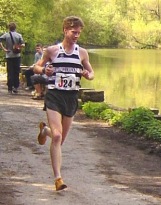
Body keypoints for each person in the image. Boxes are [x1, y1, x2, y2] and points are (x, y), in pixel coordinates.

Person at [33, 16, 94, 191]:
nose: (76, 36)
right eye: (74, 32)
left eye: (79, 33)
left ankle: (45, 131)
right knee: (57, 137)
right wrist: (45, 70)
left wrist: (88, 75)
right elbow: (36, 67)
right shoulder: (52, 51)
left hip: (71, 98)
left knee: (61, 139)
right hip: (54, 96)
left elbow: (91, 72)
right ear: (65, 30)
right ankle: (58, 178)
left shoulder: (82, 53)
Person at [0, 22, 25, 94]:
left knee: (10, 72)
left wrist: (4, 49)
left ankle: (10, 88)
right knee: (16, 72)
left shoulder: (6, 35)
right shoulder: (19, 35)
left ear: (9, 28)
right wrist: (18, 46)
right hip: (17, 56)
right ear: (15, 28)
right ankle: (16, 87)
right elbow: (23, 44)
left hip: (9, 55)